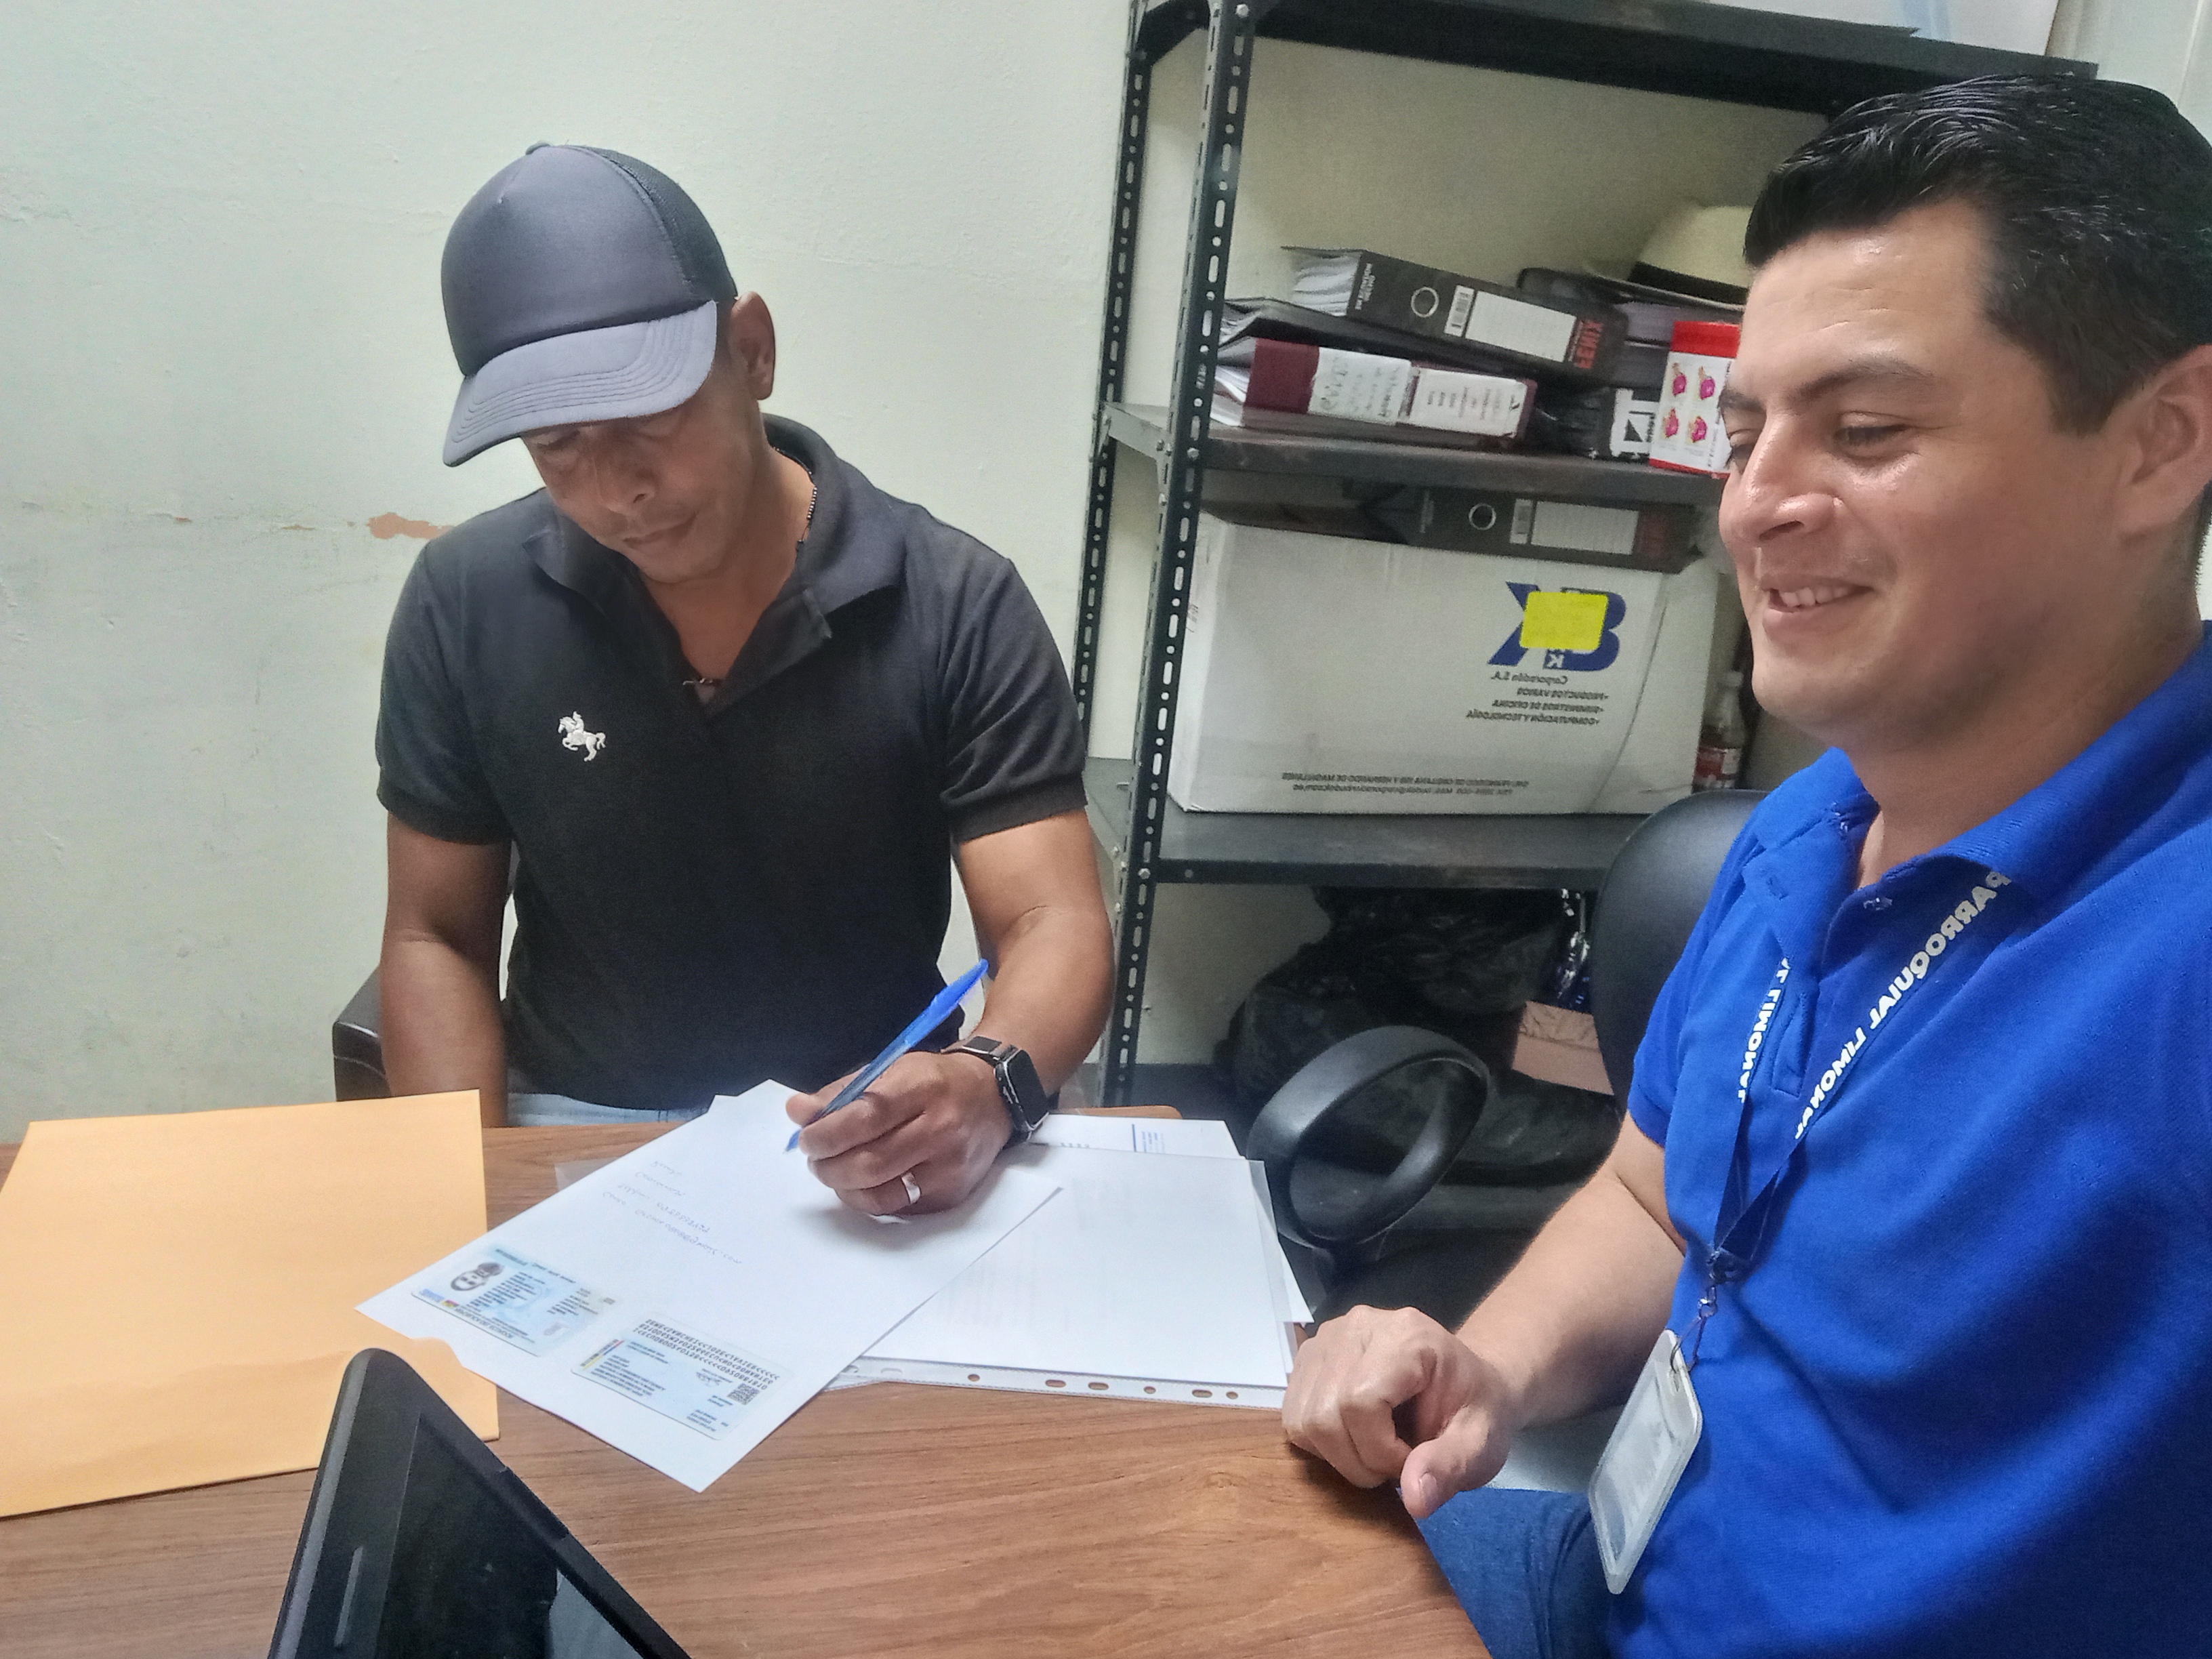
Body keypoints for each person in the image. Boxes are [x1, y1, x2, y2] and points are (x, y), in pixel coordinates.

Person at [1282, 75, 2212, 1659]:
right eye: (1742, 432)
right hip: (1613, 1580)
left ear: (2162, 442)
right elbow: (1658, 1199)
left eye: (1865, 431)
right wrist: (1489, 1368)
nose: (1759, 504)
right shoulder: (1814, 820)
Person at [375, 144, 1111, 1216]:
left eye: (650, 417)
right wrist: (469, 1192)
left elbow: (1053, 919)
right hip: (577, 1123)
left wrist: (987, 1083)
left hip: (861, 1131)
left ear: (752, 351)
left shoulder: (955, 602)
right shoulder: (466, 602)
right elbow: (433, 935)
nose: (619, 489)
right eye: (559, 443)